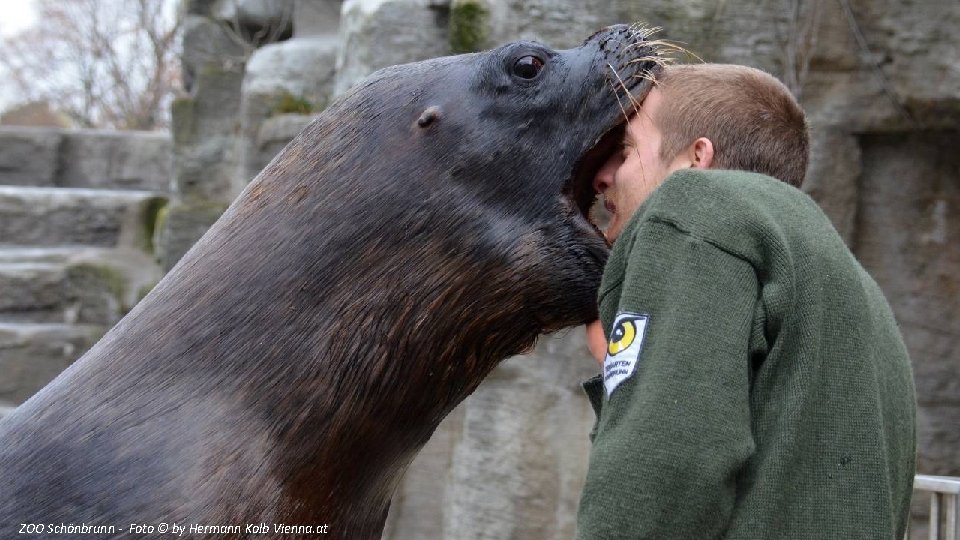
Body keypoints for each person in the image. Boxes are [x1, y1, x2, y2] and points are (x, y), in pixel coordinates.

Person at [575, 63, 917, 539]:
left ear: (697, 158)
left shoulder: (692, 207)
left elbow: (666, 457)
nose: (602, 177)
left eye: (625, 151)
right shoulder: (847, 279)